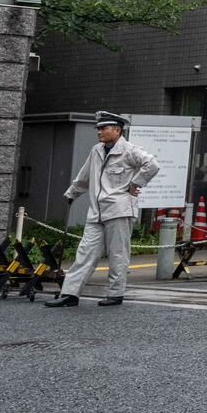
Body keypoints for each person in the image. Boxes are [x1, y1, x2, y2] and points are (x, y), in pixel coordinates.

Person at [46, 112, 160, 308]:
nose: (99, 132)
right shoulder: (96, 150)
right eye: (98, 128)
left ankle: (116, 293)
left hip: (119, 210)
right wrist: (72, 193)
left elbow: (152, 164)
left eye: (104, 128)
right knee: (85, 253)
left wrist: (135, 183)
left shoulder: (130, 150)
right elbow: (85, 175)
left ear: (117, 130)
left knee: (118, 253)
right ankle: (70, 293)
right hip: (96, 212)